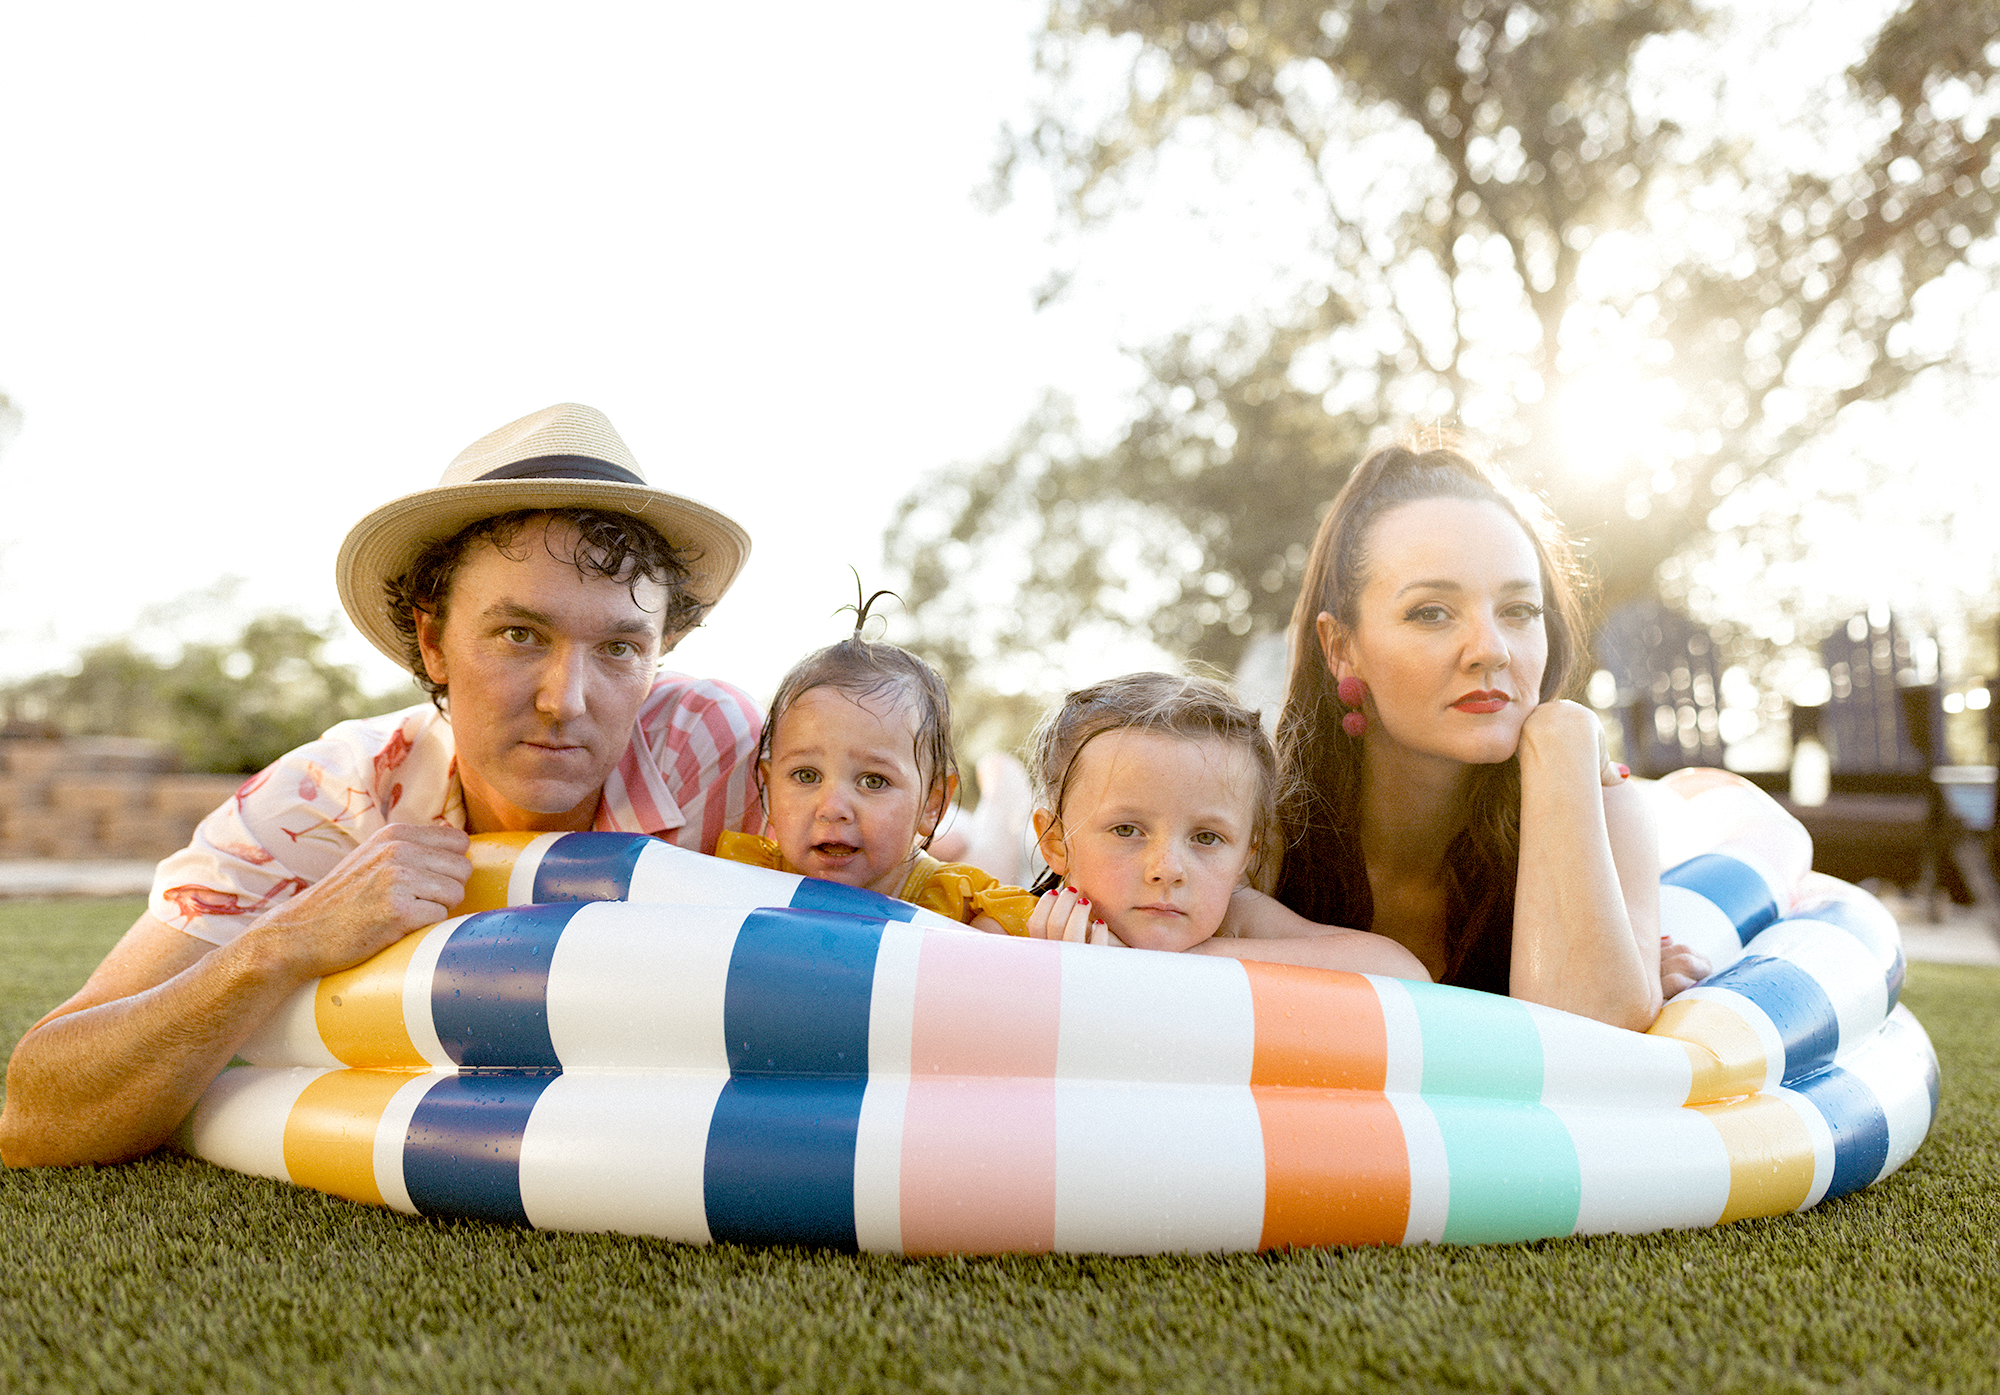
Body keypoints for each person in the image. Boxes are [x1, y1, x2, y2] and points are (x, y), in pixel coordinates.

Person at [0, 403, 762, 1167]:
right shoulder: (321, 801)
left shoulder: (720, 755)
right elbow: (36, 1115)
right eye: (519, 634)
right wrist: (287, 941)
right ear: (433, 640)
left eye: (620, 647)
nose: (565, 698)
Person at [1235, 440, 1701, 1029]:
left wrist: (1563, 737)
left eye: (1519, 610)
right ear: (1341, 648)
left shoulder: (1606, 811)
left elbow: (1588, 1041)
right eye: (1431, 612)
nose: (1490, 649)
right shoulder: (1259, 825)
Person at [1018, 671, 1428, 978]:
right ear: (1055, 842)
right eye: (1127, 830)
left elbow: (1402, 972)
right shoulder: (1016, 924)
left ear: (1246, 857)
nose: (1168, 869)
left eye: (1207, 838)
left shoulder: (1234, 918)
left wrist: (1175, 963)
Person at [714, 597, 1039, 934]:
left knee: (984, 850)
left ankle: (1005, 795)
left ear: (932, 804)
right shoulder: (743, 872)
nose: (833, 808)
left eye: (873, 781)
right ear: (769, 790)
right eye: (806, 775)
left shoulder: (953, 904)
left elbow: (1017, 923)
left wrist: (989, 932)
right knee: (956, 843)